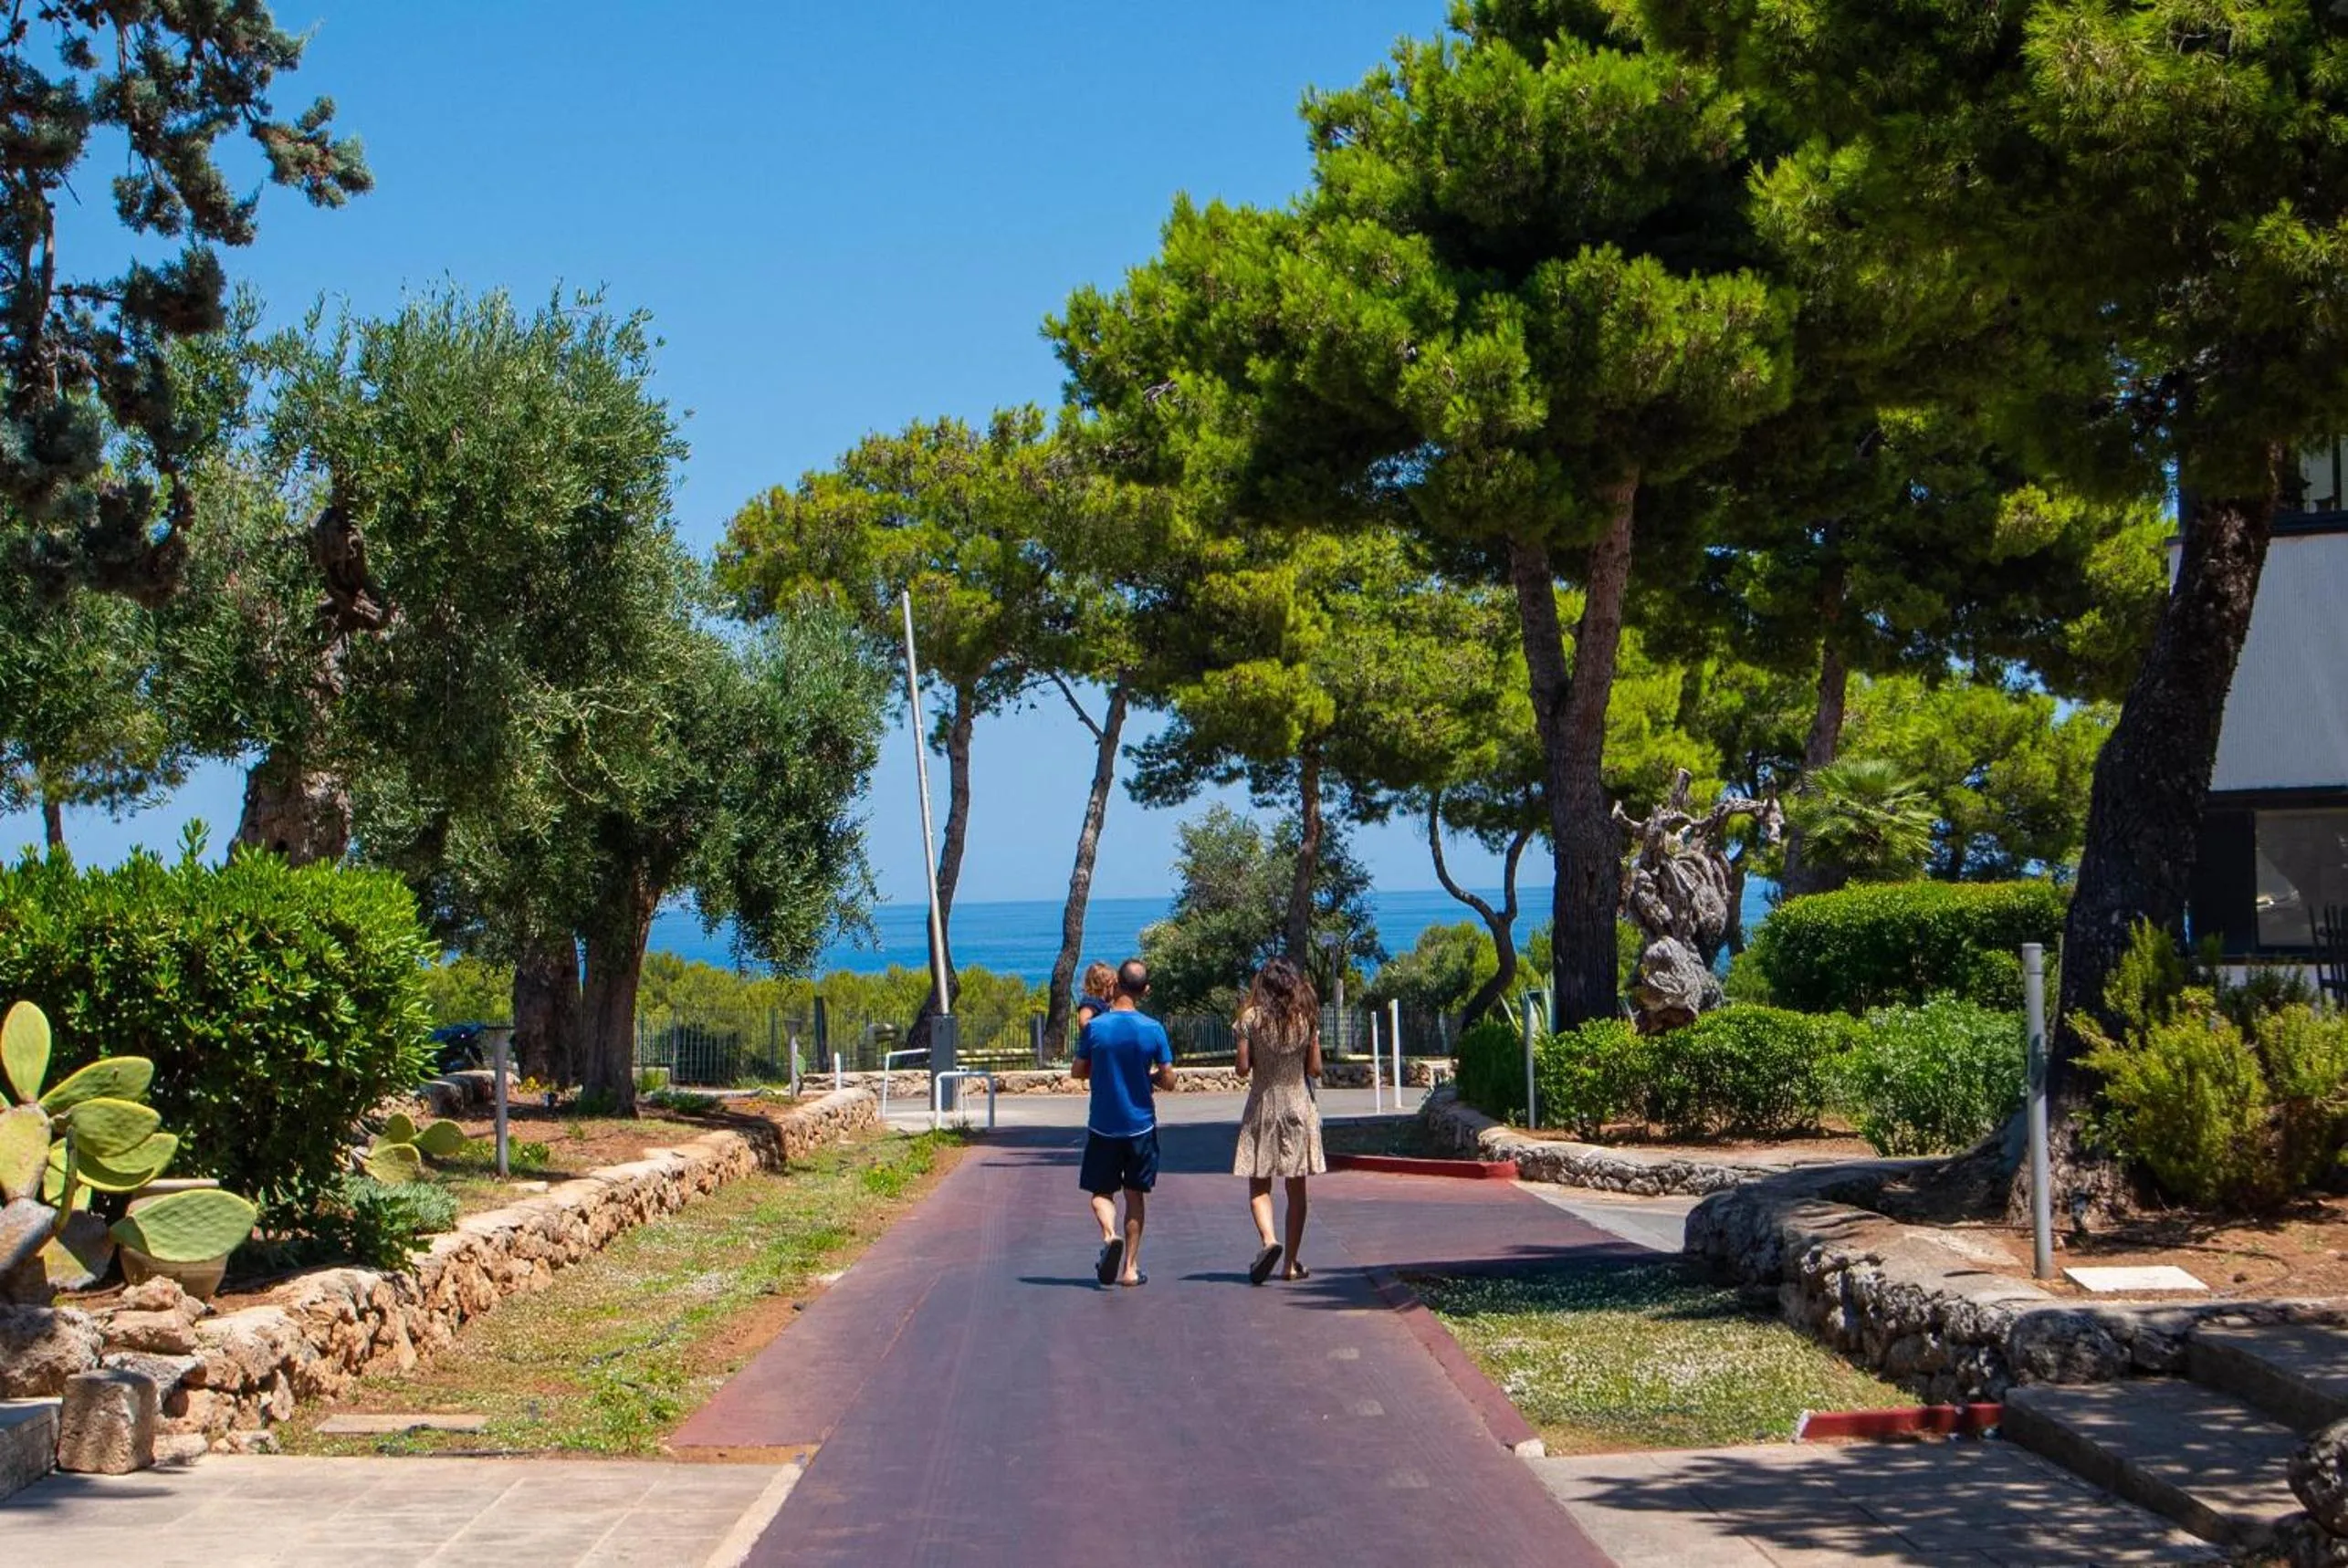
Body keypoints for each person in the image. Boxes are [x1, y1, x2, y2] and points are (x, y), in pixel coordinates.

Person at [1072, 957, 1176, 1287]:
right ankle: (1130, 1269)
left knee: (1101, 1193)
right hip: (1141, 1126)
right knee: (1135, 1196)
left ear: (1115, 984)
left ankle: (1108, 1235)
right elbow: (1170, 1080)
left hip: (1103, 1124)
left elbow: (1077, 1070)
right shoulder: (1153, 1029)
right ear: (1145, 990)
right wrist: (1151, 1077)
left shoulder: (1096, 1029)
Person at [1232, 956, 1325, 1284]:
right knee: (1296, 1187)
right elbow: (1315, 1069)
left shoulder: (1249, 1019)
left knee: (1259, 1182)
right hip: (1298, 1105)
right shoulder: (1306, 1019)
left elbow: (1243, 1069)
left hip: (1262, 1104)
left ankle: (1269, 1241)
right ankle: (1290, 1264)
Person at [1074, 960, 1117, 1046]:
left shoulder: (1104, 1004)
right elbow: (1083, 1021)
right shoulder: (1092, 1001)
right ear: (1106, 986)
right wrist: (1101, 1030)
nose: (1116, 989)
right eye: (1114, 986)